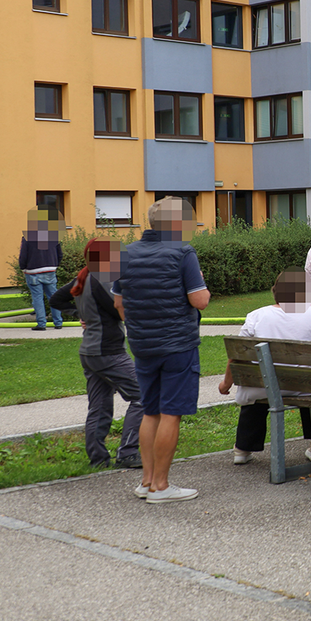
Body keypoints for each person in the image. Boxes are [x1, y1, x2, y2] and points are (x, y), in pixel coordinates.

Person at [111, 197, 209, 503]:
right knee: (171, 413)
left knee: (150, 411)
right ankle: (162, 487)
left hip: (142, 346)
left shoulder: (125, 253)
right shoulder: (183, 252)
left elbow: (118, 303)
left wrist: (141, 326)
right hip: (178, 345)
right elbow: (200, 300)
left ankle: (147, 481)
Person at [217, 268, 311, 465]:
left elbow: (237, 356)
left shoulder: (257, 316)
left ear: (275, 291)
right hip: (306, 386)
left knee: (261, 385)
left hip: (263, 386)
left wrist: (226, 384)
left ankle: (243, 448)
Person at [49, 238, 143, 469]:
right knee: (143, 396)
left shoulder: (84, 276)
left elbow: (56, 299)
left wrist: (80, 313)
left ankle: (98, 460)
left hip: (90, 352)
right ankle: (128, 452)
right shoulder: (102, 279)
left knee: (99, 406)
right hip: (107, 352)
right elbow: (120, 309)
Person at [19, 209, 64, 331]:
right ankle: (58, 322)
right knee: (53, 297)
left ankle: (41, 324)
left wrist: (22, 268)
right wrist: (55, 265)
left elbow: (23, 256)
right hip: (50, 270)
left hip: (33, 271)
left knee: (37, 298)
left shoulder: (28, 237)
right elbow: (60, 254)